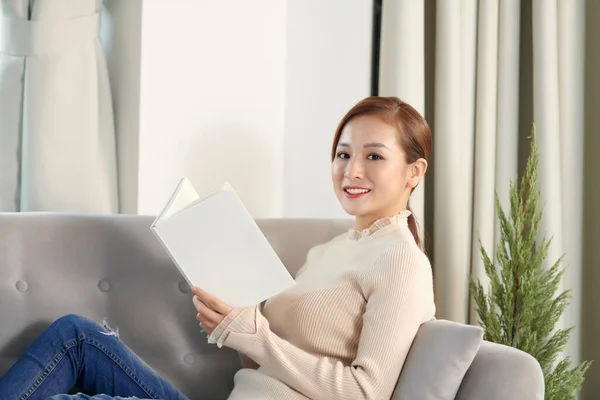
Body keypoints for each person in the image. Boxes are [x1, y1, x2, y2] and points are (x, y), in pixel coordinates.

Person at [0, 96, 436, 400]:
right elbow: (266, 368)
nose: (351, 169)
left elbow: (366, 392)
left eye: (374, 157)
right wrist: (234, 327)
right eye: (343, 154)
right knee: (75, 335)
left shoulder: (400, 261)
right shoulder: (331, 250)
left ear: (414, 171)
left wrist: (258, 337)